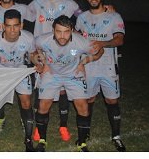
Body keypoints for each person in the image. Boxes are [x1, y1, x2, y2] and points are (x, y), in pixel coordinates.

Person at [33, 15, 104, 152]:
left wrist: (84, 61)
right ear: (53, 30)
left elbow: (100, 50)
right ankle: (42, 140)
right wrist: (42, 61)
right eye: (58, 31)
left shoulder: (81, 42)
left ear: (72, 30)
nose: (62, 36)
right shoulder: (43, 40)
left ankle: (81, 143)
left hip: (73, 74)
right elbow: (35, 49)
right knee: (43, 105)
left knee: (83, 106)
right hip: (52, 73)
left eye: (66, 32)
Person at [27, 0, 81, 143]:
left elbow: (84, 17)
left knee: (63, 90)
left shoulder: (70, 4)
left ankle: (63, 126)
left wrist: (107, 9)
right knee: (41, 90)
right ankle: (39, 127)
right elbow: (20, 12)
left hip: (64, 55)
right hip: (42, 54)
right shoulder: (37, 3)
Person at [76, 0, 126, 151]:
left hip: (108, 67)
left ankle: (116, 136)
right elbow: (76, 38)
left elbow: (119, 40)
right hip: (88, 65)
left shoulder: (114, 16)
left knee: (112, 100)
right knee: (88, 99)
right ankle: (86, 133)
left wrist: (102, 43)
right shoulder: (82, 18)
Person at [0, 9, 37, 152]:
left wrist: (39, 63)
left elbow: (32, 55)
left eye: (16, 26)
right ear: (3, 26)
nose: (12, 30)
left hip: (20, 70)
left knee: (26, 102)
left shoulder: (28, 37)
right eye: (8, 26)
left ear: (21, 25)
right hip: (2, 72)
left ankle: (28, 139)